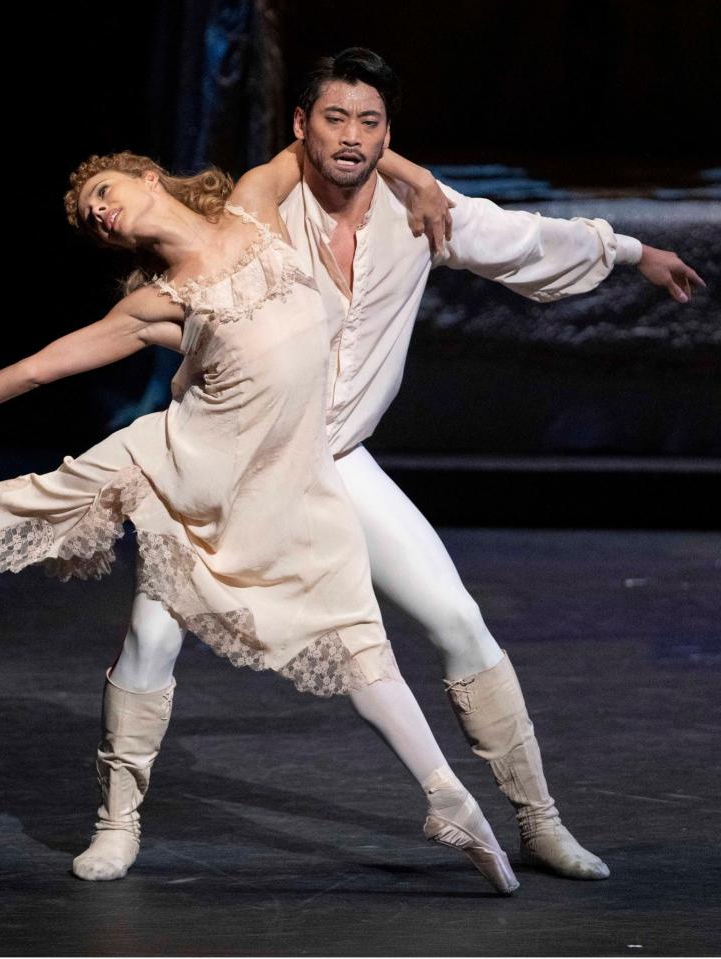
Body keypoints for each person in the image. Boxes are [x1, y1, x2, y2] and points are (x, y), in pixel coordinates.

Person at [0, 144, 522, 894]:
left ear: (147, 176)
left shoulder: (258, 205)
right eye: (92, 221)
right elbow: (40, 367)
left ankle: (447, 799)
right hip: (179, 464)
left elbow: (325, 137)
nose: (98, 212)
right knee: (92, 566)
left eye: (102, 190)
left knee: (359, 643)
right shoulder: (154, 303)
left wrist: (418, 181)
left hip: (282, 489)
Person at [89, 47, 707, 885]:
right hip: (227, 463)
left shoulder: (422, 216)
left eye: (371, 122)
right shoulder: (262, 213)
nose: (352, 136)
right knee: (152, 639)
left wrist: (635, 251)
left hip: (335, 458)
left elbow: (523, 238)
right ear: (302, 126)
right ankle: (117, 820)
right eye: (334, 118)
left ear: (389, 132)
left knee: (458, 620)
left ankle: (541, 822)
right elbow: (264, 187)